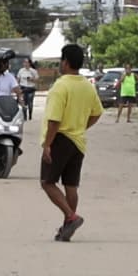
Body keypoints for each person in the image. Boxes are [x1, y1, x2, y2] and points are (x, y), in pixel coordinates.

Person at [36, 38, 102, 241]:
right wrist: (81, 127)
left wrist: (48, 144)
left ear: (65, 62)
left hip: (60, 139)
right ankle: (67, 226)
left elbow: (54, 120)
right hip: (78, 141)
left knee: (47, 182)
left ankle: (71, 217)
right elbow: (97, 113)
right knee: (71, 185)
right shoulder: (87, 86)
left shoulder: (60, 86)